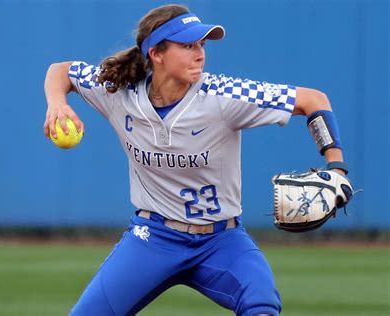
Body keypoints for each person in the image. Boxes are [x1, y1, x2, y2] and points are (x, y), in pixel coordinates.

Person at [44, 4, 350, 315]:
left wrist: (336, 166)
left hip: (221, 242)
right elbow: (62, 70)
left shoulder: (224, 96)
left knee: (262, 303)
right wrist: (56, 103)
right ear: (156, 54)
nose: (200, 53)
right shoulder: (118, 90)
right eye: (188, 46)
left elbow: (314, 100)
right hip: (153, 239)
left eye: (202, 45)